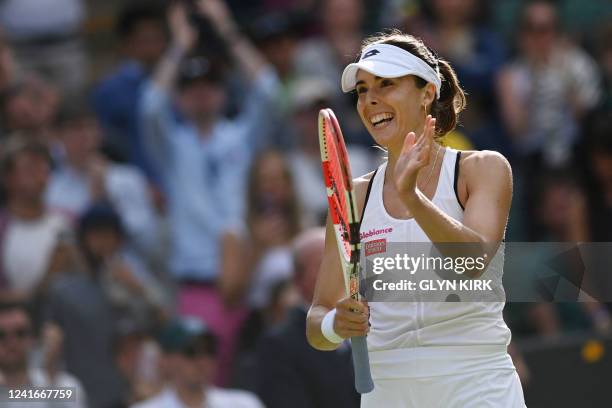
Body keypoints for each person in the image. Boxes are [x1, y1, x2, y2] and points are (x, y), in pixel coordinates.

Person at [305, 30, 526, 407]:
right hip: (388, 393)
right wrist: (335, 324)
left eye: (386, 84)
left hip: (476, 387)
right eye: (361, 89)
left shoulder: (483, 168)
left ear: (427, 93)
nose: (371, 99)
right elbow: (317, 319)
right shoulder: (353, 197)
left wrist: (413, 195)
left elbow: (472, 262)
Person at [254, 228, 359, 408]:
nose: (340, 270)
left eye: (344, 259)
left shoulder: (371, 326)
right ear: (297, 279)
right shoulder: (279, 344)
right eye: (326, 265)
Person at [132, 317, 263, 408]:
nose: (203, 361)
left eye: (210, 350)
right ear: (166, 359)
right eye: (191, 352)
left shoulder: (244, 404)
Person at [0, 299, 87, 408]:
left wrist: (51, 382)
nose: (11, 342)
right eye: (1, 335)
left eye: (20, 333)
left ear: (33, 338)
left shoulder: (64, 387)